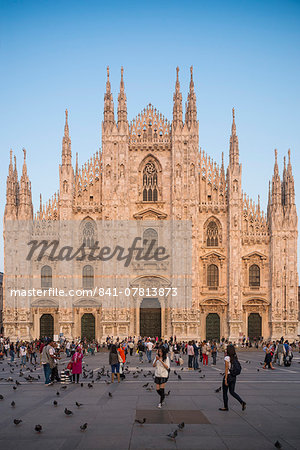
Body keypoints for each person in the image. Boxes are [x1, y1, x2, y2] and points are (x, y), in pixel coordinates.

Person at [219, 344, 246, 412]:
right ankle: (241, 402)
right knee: (232, 392)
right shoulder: (235, 357)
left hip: (228, 376)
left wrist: (225, 379)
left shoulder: (227, 358)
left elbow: (226, 368)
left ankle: (226, 407)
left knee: (225, 393)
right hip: (233, 376)